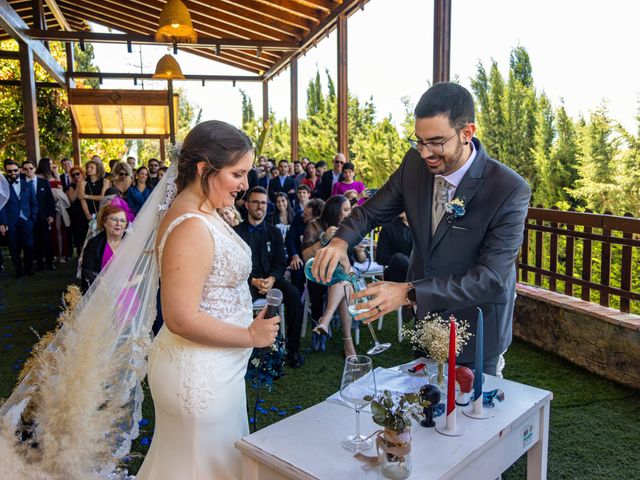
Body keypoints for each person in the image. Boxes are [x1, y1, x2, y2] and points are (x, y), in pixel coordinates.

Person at [312, 82, 531, 376]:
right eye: (419, 140)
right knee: (423, 410)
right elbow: (371, 211)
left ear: (467, 133)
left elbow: (490, 278)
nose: (425, 152)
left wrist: (408, 294)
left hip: (477, 329)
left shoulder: (508, 189)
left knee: (472, 416)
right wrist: (340, 241)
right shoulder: (414, 164)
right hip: (426, 323)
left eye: (436, 142)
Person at [135, 120, 280, 480]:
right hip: (197, 374)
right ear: (204, 169)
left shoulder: (201, 212)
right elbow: (180, 316)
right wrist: (249, 336)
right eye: (237, 174)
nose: (245, 185)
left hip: (215, 366)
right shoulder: (191, 226)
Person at [234, 186, 304, 369]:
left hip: (272, 280)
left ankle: (293, 350)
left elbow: (281, 262)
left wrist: (272, 279)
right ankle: (244, 349)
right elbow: (234, 266)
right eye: (255, 202)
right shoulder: (236, 232)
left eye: (263, 203)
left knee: (294, 296)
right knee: (237, 300)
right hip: (246, 282)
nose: (260, 206)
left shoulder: (274, 232)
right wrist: (253, 281)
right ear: (247, 205)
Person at [302, 195, 365, 357]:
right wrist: (324, 238)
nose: (349, 213)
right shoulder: (315, 225)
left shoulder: (349, 227)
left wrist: (360, 250)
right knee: (344, 279)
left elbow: (362, 260)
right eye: (345, 210)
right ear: (334, 211)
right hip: (320, 271)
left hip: (346, 273)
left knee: (344, 277)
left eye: (349, 209)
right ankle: (348, 342)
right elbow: (305, 255)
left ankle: (326, 319)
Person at [0, 159, 37, 277]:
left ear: (20, 170)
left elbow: (34, 203)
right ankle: (19, 271)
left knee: (29, 245)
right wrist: (3, 223)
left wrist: (32, 219)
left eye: (15, 170)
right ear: (6, 171)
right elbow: (1, 206)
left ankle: (29, 269)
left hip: (26, 220)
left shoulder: (28, 184)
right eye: (9, 171)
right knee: (14, 248)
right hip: (11, 222)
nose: (13, 173)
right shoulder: (2, 188)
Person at [80, 202, 127, 293]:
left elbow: (142, 273)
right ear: (104, 222)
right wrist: (105, 283)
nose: (118, 223)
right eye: (114, 219)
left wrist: (127, 284)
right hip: (102, 292)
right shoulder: (94, 244)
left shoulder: (131, 242)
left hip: (128, 292)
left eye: (122, 221)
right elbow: (87, 272)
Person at [286, 197, 324, 294]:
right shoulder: (299, 217)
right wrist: (294, 256)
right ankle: (299, 302)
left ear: (316, 218)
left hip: (318, 260)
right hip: (299, 256)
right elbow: (290, 238)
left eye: (306, 215)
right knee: (296, 268)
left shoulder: (323, 226)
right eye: (304, 212)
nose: (303, 215)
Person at [24, 159, 56, 270]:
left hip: (44, 217)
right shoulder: (21, 183)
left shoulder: (43, 182)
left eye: (31, 168)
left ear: (34, 168)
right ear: (23, 170)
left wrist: (52, 215)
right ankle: (39, 263)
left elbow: (50, 200)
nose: (29, 170)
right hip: (28, 218)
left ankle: (50, 263)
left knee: (47, 240)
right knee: (34, 241)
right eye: (26, 169)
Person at [376, 212, 413, 283]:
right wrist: (400, 260)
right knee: (399, 258)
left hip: (419, 272)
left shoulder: (424, 228)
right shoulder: (388, 227)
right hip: (397, 273)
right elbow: (380, 257)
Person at [66, 165, 89, 257]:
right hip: (77, 214)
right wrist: (78, 186)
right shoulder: (72, 186)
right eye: (73, 175)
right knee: (79, 236)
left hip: (88, 211)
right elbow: (72, 199)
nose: (76, 176)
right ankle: (81, 256)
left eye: (78, 174)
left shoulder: (88, 183)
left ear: (82, 173)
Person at [79, 157, 110, 222]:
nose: (88, 169)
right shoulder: (83, 182)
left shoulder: (105, 181)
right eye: (87, 167)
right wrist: (87, 213)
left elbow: (102, 197)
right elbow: (82, 199)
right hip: (87, 212)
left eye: (91, 167)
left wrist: (85, 196)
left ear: (98, 169)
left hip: (102, 211)